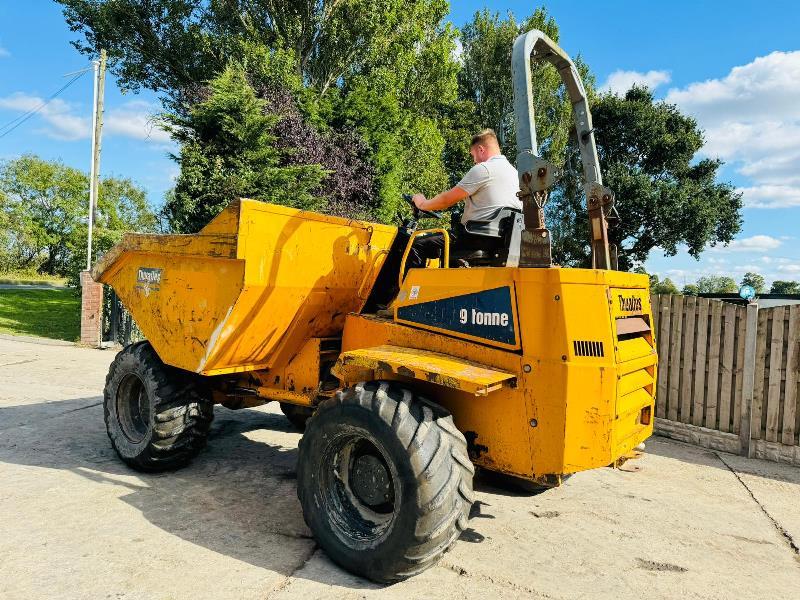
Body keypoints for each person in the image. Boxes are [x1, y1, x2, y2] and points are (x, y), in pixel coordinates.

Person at [407, 128, 522, 269]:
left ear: (481, 149)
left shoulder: (485, 169)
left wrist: (422, 203)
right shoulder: (515, 175)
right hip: (501, 241)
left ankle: (406, 291)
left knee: (416, 244)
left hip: (474, 238)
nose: (474, 161)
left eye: (473, 155)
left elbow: (445, 200)